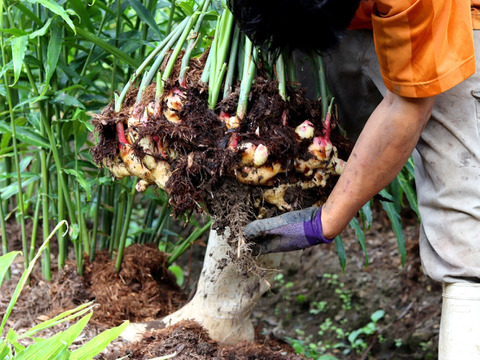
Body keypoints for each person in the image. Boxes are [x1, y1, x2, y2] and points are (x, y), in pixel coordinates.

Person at [227, 0, 480, 358]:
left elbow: (408, 104)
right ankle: (219, 314)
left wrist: (326, 221)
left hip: (446, 20)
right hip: (336, 15)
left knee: (466, 219)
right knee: (272, 134)